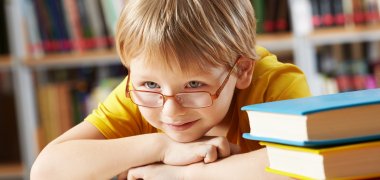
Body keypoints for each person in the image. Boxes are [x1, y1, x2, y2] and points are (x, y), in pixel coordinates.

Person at [31, 0, 311, 179]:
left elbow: (306, 164)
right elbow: (47, 171)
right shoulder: (141, 94)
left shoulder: (276, 86)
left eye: (194, 85)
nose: (170, 110)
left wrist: (184, 176)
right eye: (150, 84)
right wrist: (162, 147)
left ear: (242, 71)